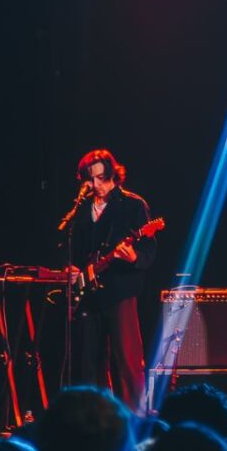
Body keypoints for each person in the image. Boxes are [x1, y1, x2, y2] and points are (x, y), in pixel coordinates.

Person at [65, 149, 157, 408]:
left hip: (120, 292)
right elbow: (76, 249)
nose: (96, 185)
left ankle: (133, 420)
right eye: (90, 179)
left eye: (101, 178)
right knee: (90, 363)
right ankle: (95, 418)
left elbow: (149, 251)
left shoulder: (132, 205)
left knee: (126, 362)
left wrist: (132, 257)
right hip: (90, 294)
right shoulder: (82, 211)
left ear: (113, 175)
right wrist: (73, 268)